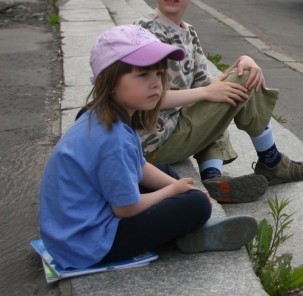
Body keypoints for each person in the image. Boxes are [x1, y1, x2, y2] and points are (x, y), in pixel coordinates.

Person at [39, 24, 258, 270]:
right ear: (107, 81)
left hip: (75, 228)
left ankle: (185, 226)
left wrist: (188, 187)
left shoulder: (100, 114)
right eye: (143, 75)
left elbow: (139, 165)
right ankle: (188, 231)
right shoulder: (112, 139)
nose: (156, 84)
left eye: (159, 74)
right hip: (86, 244)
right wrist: (172, 191)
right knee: (195, 207)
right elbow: (126, 208)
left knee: (164, 171)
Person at [134, 0, 303, 203]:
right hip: (153, 145)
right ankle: (271, 160)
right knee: (232, 88)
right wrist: (212, 90)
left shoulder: (188, 32)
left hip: (173, 131)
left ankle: (213, 176)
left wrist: (243, 60)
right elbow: (142, 98)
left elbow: (207, 88)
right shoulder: (144, 32)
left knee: (235, 81)